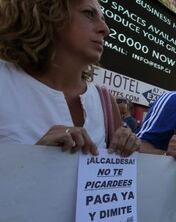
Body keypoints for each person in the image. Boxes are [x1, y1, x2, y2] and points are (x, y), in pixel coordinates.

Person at [0, 0, 139, 156]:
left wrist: (129, 147)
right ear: (47, 13)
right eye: (89, 14)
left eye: (103, 19)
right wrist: (34, 159)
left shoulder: (105, 101)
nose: (105, 29)